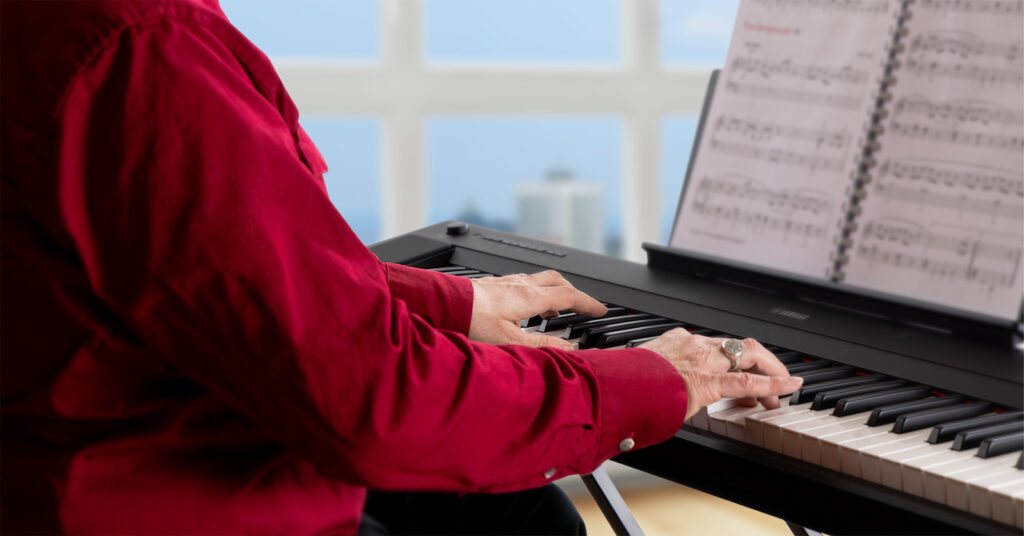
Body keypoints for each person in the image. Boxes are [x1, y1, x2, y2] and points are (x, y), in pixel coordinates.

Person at [0, 1, 802, 534]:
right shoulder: (144, 47)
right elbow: (371, 406)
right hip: (147, 502)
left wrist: (442, 302)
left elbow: (194, 268)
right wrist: (661, 378)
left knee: (521, 518)